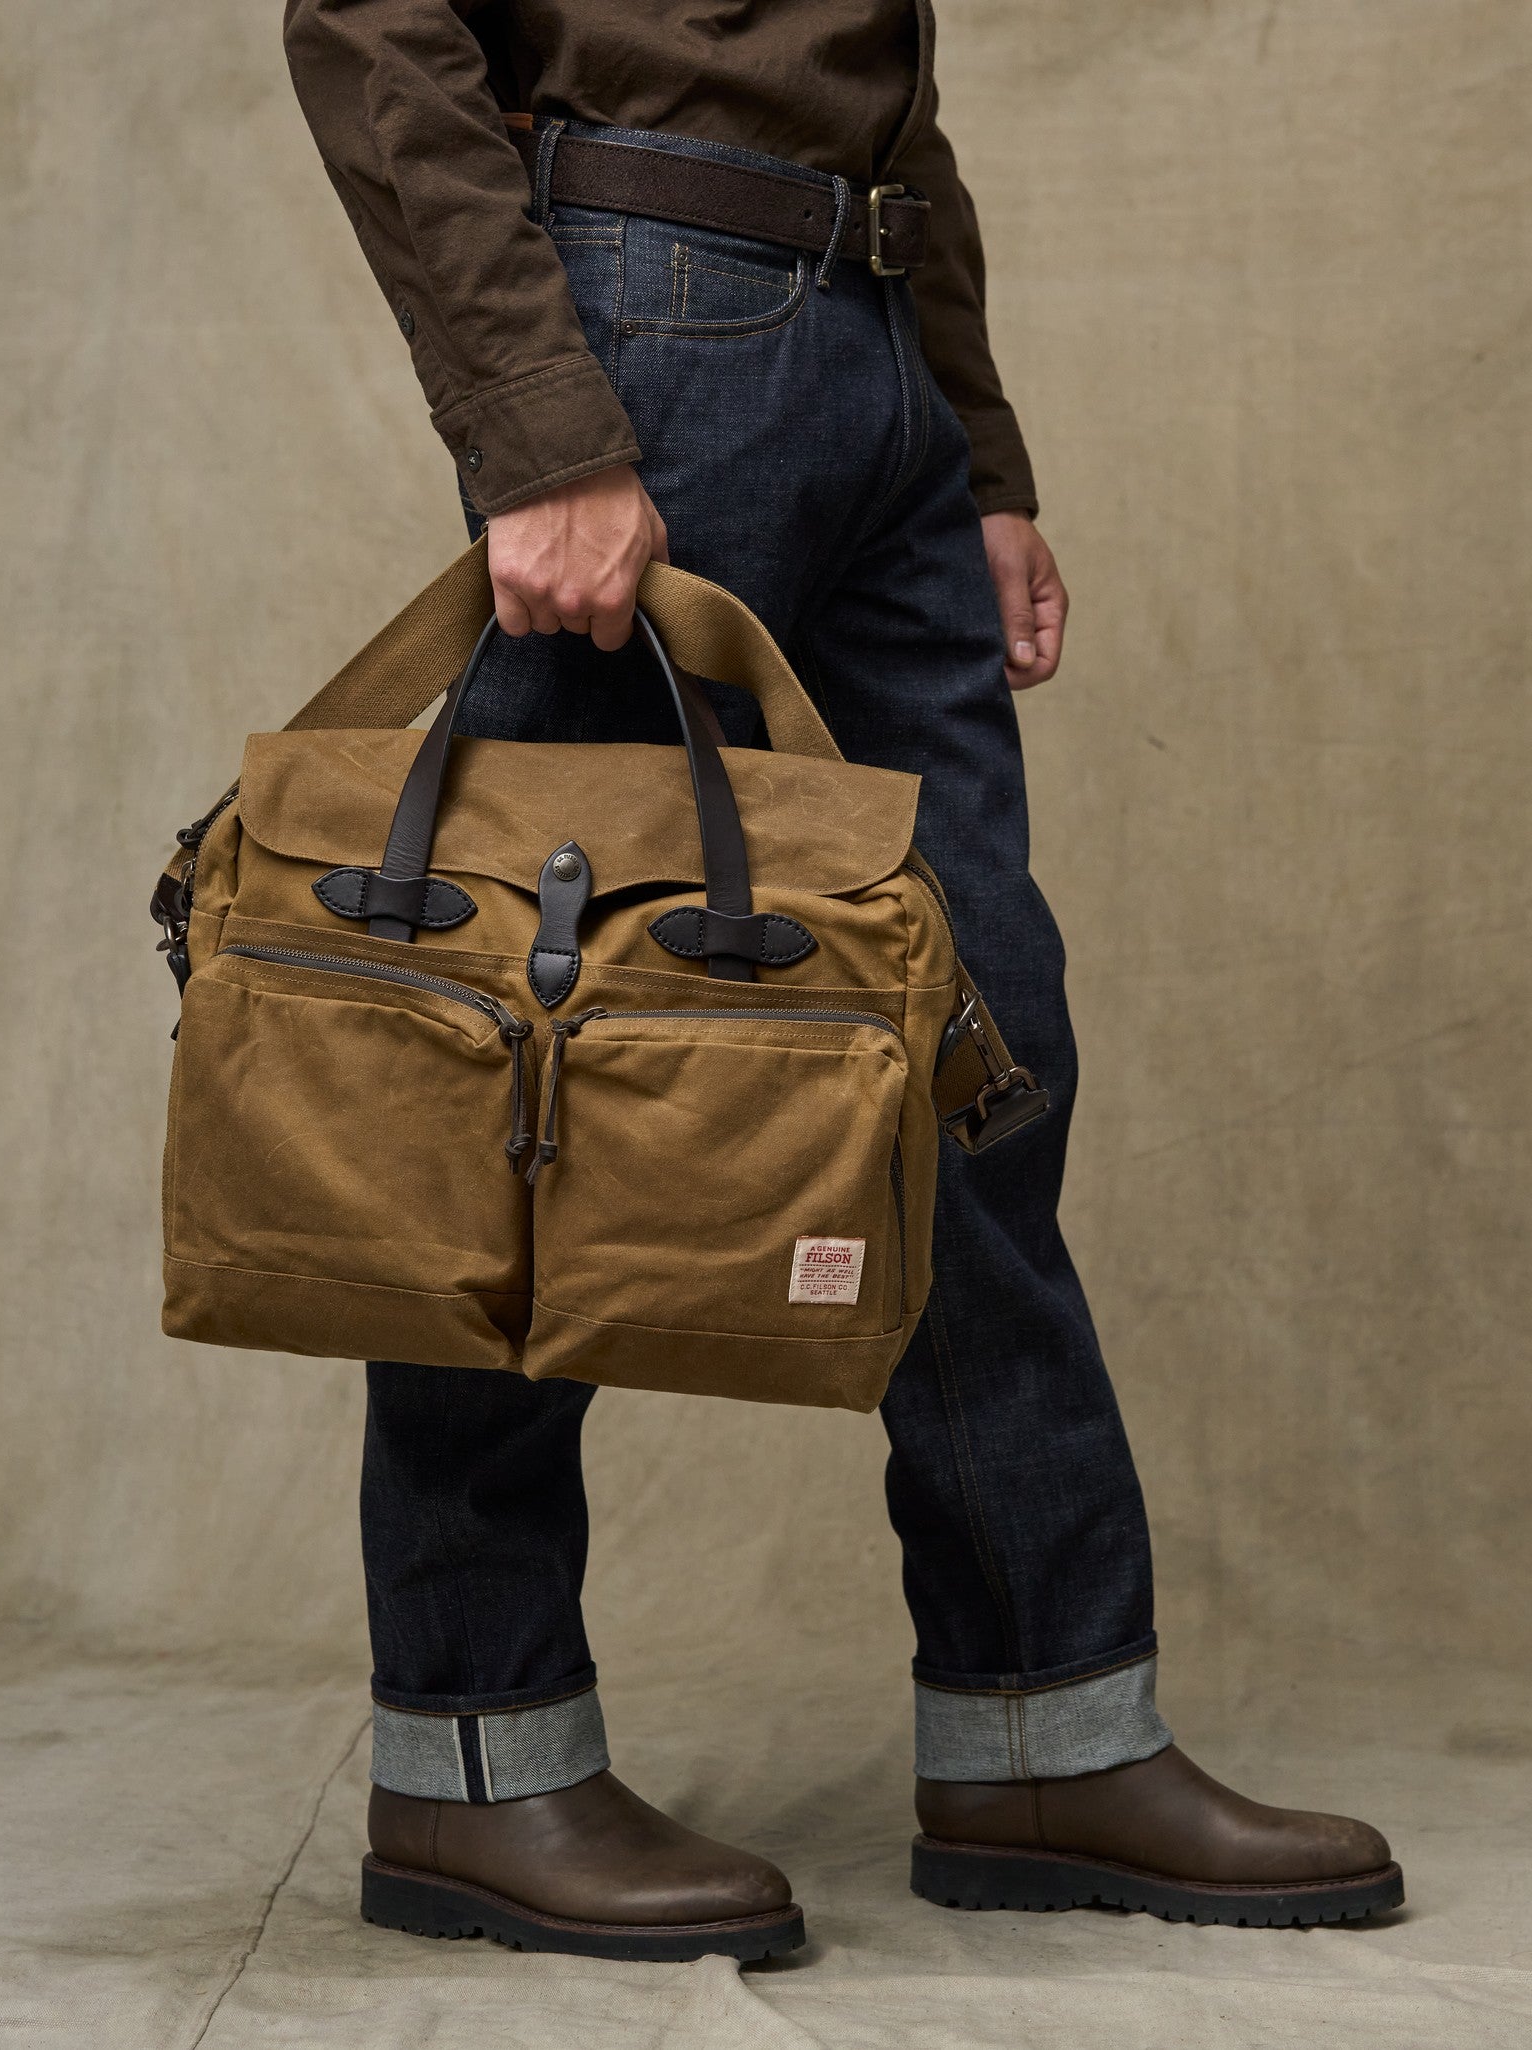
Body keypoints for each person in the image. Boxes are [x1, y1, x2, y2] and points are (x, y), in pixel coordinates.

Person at [281, 0, 1401, 1959]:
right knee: (524, 1076)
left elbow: (876, 65)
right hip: (647, 335)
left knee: (978, 1054)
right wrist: (537, 426)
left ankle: (1045, 1732)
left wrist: (971, 443)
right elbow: (372, 19)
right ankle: (473, 1751)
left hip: (875, 337)